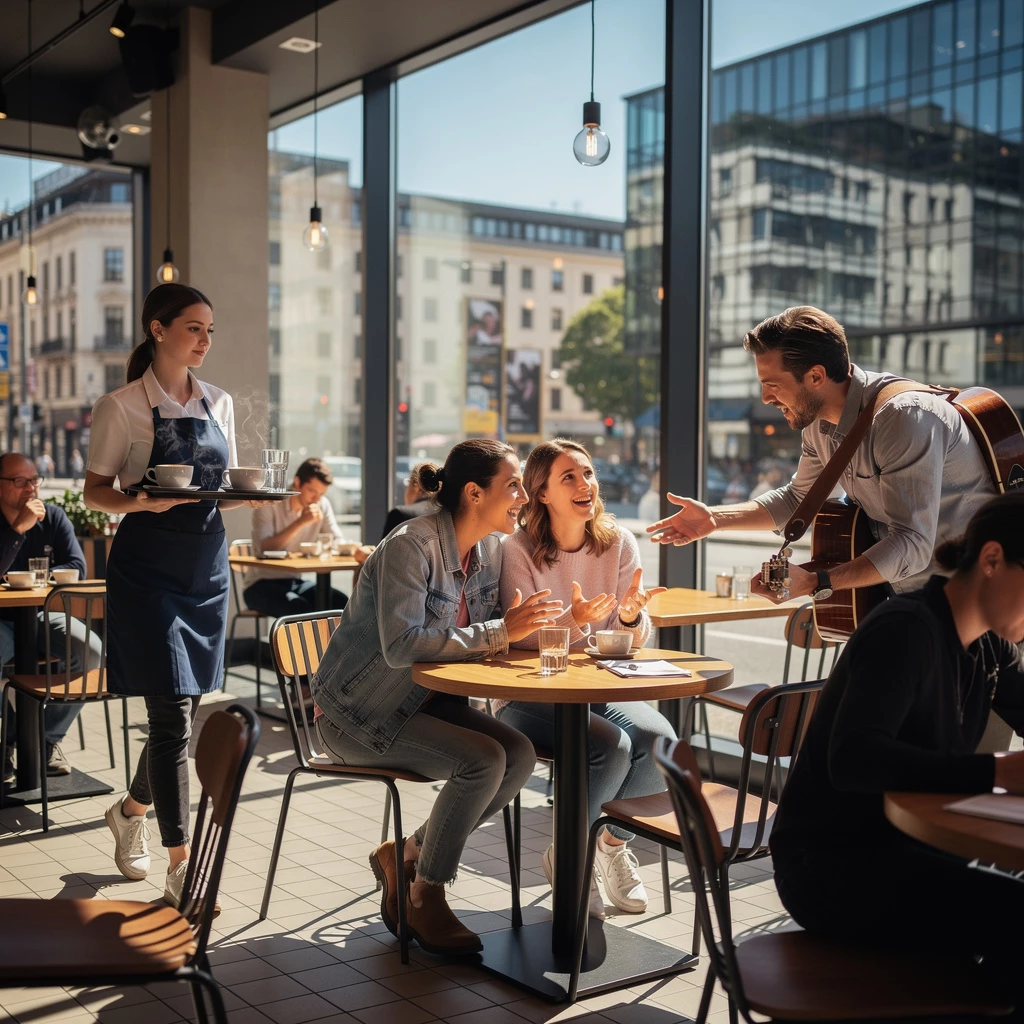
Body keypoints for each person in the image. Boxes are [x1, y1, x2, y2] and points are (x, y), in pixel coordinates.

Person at [312, 439, 562, 955]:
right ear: (474, 492)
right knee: (484, 760)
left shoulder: (490, 551)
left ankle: (403, 855)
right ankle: (425, 894)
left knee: (518, 755)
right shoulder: (412, 544)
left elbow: (494, 633)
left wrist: (533, 630)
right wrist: (499, 633)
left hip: (427, 705)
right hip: (358, 715)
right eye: (513, 485)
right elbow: (404, 646)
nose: (523, 496)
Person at [769, 493, 1024, 998]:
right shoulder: (906, 629)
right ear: (992, 559)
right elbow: (855, 760)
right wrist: (996, 773)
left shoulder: (991, 646)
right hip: (830, 868)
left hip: (902, 850)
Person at [83, 283, 262, 907]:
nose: (205, 341)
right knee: (171, 715)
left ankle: (130, 809)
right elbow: (94, 492)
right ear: (158, 330)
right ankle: (180, 862)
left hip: (206, 566)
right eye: (194, 328)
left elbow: (222, 487)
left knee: (178, 713)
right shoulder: (122, 406)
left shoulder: (221, 402)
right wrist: (139, 499)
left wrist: (261, 494)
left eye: (210, 330)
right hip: (147, 568)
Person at [648, 305, 997, 602]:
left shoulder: (903, 417)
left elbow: (911, 542)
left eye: (772, 385)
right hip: (915, 600)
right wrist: (714, 519)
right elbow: (798, 500)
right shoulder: (817, 424)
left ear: (816, 376)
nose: (766, 399)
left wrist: (818, 582)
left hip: (977, 604)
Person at [495, 439, 671, 918]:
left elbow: (624, 640)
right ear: (542, 494)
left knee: (661, 739)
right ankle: (573, 855)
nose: (584, 484)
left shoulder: (618, 544)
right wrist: (573, 621)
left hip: (594, 690)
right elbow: (520, 640)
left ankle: (609, 846)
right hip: (527, 696)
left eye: (587, 473)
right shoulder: (518, 549)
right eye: (568, 477)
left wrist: (633, 618)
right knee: (610, 747)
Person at [0, 452, 96, 781]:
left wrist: (40, 578)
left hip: (40, 616)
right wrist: (18, 530)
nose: (30, 489)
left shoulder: (53, 517)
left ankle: (45, 739)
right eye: (19, 481)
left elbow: (77, 566)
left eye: (33, 480)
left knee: (91, 650)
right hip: (2, 621)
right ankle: (8, 742)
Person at [244, 457, 349, 617]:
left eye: (321, 493)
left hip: (295, 581)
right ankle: (311, 643)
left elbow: (337, 540)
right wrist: (301, 522)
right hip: (260, 584)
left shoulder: (322, 504)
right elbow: (264, 548)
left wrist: (352, 548)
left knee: (340, 602)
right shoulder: (271, 503)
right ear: (297, 482)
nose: (316, 498)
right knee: (299, 608)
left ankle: (328, 643)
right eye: (312, 491)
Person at [380, 460, 440, 539]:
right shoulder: (447, 513)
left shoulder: (400, 514)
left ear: (417, 487)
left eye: (408, 484)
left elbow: (385, 551)